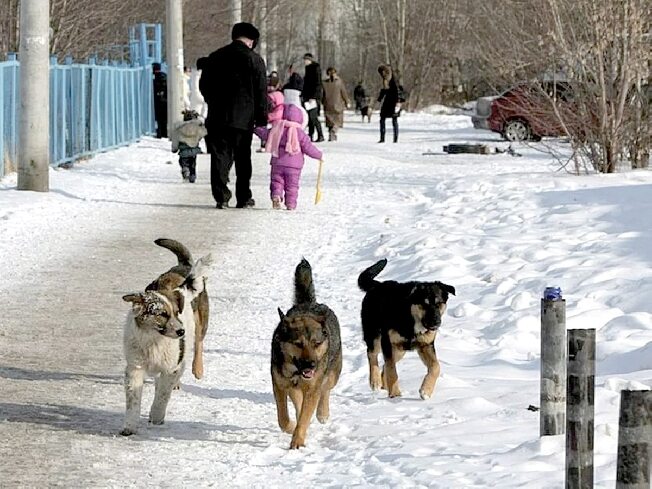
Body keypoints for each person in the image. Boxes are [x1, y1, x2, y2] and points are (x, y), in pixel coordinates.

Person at [199, 22, 268, 209]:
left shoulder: (215, 57)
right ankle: (243, 197)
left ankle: (221, 196)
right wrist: (262, 117)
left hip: (217, 117)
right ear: (251, 41)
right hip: (243, 119)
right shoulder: (254, 60)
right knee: (243, 158)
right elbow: (261, 91)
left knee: (219, 157)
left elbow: (203, 86)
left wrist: (213, 101)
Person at [254, 104, 322, 210]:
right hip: (294, 166)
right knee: (292, 186)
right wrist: (319, 155)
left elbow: (265, 134)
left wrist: (257, 129)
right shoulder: (300, 133)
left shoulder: (277, 128)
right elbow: (308, 147)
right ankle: (291, 204)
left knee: (277, 181)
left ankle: (276, 195)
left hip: (277, 163)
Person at [171, 109, 207, 183]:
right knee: (193, 164)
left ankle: (185, 170)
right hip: (194, 150)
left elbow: (175, 140)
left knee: (183, 162)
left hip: (183, 151)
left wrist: (174, 148)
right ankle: (192, 176)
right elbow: (202, 135)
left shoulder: (179, 128)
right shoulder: (197, 128)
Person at [377, 64, 403, 143]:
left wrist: (398, 102)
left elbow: (399, 90)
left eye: (382, 72)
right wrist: (380, 98)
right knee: (382, 118)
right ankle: (382, 138)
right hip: (388, 101)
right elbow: (385, 90)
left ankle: (395, 139)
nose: (381, 75)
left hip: (394, 102)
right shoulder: (385, 79)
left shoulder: (393, 79)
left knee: (394, 120)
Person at [322, 67, 350, 142]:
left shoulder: (324, 83)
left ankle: (331, 135)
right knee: (337, 121)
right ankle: (333, 131)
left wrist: (322, 102)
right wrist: (347, 101)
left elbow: (322, 94)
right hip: (337, 104)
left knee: (329, 121)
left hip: (327, 104)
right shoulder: (339, 82)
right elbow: (343, 93)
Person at [301, 53, 324, 142]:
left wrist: (314, 96)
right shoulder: (308, 69)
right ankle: (311, 135)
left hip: (313, 97)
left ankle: (320, 134)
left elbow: (317, 84)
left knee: (313, 116)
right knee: (310, 116)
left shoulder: (315, 68)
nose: (305, 61)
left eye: (306, 60)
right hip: (308, 96)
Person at [152, 63, 168, 138]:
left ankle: (160, 132)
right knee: (164, 118)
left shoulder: (155, 78)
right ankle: (164, 132)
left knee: (159, 118)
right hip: (165, 100)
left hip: (158, 100)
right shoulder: (165, 76)